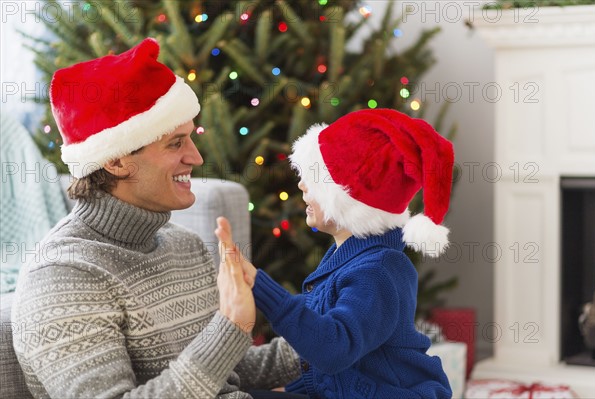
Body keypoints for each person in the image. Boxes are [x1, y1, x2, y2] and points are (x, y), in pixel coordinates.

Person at [11, 38, 303, 399]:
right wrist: (230, 326)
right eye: (175, 143)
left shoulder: (183, 245)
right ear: (116, 160)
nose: (196, 158)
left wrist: (344, 331)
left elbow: (229, 370)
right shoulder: (64, 276)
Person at [216, 109, 455, 399]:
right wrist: (287, 389)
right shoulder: (346, 258)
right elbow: (343, 371)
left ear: (348, 200)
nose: (302, 185)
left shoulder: (378, 271)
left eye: (314, 180)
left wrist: (259, 284)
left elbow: (333, 350)